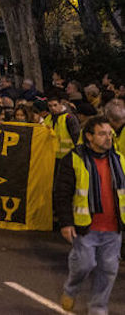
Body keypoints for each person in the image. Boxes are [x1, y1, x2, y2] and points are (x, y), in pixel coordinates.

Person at [55, 116, 123, 315]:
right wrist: (66, 223)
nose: (108, 138)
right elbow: (62, 193)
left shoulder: (119, 160)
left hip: (113, 228)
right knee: (84, 265)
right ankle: (71, 289)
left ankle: (98, 307)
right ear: (89, 136)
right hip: (85, 227)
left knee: (109, 270)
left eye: (109, 134)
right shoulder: (74, 159)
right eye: (102, 134)